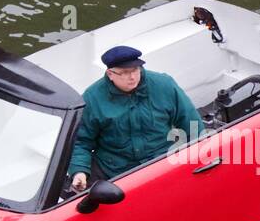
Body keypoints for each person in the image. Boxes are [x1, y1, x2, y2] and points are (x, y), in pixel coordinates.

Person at [69, 45, 202, 191]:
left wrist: (198, 155)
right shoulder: (92, 98)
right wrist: (79, 171)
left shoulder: (164, 85)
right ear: (110, 74)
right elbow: (80, 142)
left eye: (135, 70)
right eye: (124, 73)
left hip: (163, 161)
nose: (132, 77)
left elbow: (191, 123)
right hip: (114, 170)